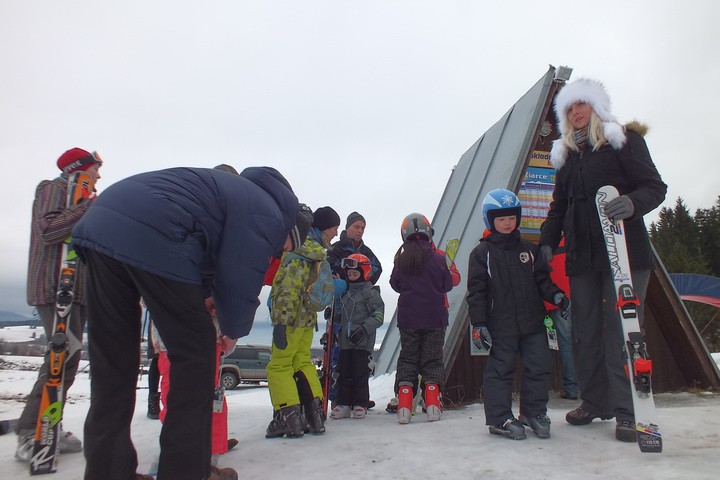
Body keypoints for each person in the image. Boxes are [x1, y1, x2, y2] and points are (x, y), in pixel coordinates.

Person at [72, 166, 304, 480]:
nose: (280, 251)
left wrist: (206, 296)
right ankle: (185, 472)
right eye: (287, 247)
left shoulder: (234, 193)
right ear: (290, 230)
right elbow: (240, 276)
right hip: (156, 229)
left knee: (114, 357)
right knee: (196, 354)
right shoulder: (269, 213)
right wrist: (232, 330)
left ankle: (108, 472)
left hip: (101, 224)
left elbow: (207, 254)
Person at [538, 78, 667, 442]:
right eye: (569, 108)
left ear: (596, 107)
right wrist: (547, 241)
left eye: (581, 104)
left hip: (624, 254)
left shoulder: (623, 140)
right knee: (585, 332)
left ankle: (628, 411)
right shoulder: (566, 157)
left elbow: (654, 187)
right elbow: (559, 207)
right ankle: (595, 401)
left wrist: (633, 203)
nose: (575, 112)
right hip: (582, 258)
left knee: (620, 332)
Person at [15, 147, 102, 462]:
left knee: (69, 360)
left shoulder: (81, 197)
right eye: (95, 169)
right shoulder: (54, 189)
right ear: (78, 168)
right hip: (54, 287)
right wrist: (89, 207)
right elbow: (49, 230)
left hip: (76, 290)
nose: (98, 176)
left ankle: (49, 424)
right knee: (58, 358)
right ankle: (31, 432)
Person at [466, 189, 569, 440]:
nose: (507, 223)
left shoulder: (529, 250)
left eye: (512, 218)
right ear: (490, 220)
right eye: (501, 219)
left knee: (539, 367)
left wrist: (556, 295)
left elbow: (542, 281)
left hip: (533, 322)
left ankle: (533, 413)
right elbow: (477, 292)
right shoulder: (481, 253)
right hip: (501, 325)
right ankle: (499, 418)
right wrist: (479, 323)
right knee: (500, 372)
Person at [265, 205, 337, 439]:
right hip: (307, 321)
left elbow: (288, 289)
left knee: (279, 366)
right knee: (302, 363)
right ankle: (315, 417)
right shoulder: (316, 253)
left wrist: (280, 323)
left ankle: (288, 419)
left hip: (290, 320)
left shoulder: (297, 252)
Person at [385, 230, 461, 413]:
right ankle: (432, 400)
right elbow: (448, 284)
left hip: (408, 318)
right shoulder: (439, 258)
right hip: (435, 316)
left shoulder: (401, 259)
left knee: (408, 358)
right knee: (432, 359)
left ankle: (404, 400)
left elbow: (395, 284)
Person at [326, 212, 383, 406]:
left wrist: (363, 282)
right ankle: (338, 397)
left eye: (363, 228)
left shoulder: (366, 250)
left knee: (360, 357)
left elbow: (377, 267)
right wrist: (346, 280)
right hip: (340, 306)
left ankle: (358, 397)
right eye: (357, 227)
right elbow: (327, 270)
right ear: (347, 227)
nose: (360, 231)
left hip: (361, 310)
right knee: (339, 354)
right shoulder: (336, 248)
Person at [330, 253, 384, 419]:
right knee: (343, 373)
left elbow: (378, 316)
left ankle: (360, 403)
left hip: (362, 342)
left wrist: (364, 329)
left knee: (359, 374)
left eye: (355, 274)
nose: (352, 277)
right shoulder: (346, 293)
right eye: (349, 274)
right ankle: (343, 403)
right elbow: (341, 316)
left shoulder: (370, 293)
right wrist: (332, 315)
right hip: (345, 342)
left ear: (365, 273)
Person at [544, 240, 579, 400]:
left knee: (565, 345)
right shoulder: (572, 242)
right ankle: (591, 386)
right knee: (586, 342)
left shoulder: (544, 248)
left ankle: (571, 388)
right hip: (579, 296)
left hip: (557, 300)